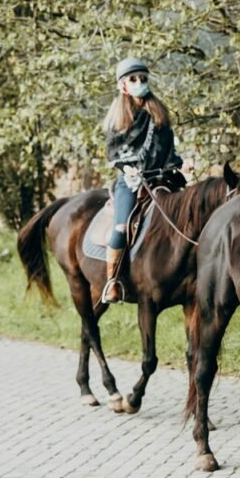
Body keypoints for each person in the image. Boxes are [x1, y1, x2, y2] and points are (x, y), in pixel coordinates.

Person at [102, 57, 183, 304]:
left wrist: (179, 162)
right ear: (123, 85)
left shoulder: (159, 112)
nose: (140, 83)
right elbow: (114, 154)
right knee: (121, 227)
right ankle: (112, 281)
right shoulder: (117, 119)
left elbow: (168, 149)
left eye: (143, 79)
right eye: (134, 79)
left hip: (162, 178)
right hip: (131, 181)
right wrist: (129, 168)